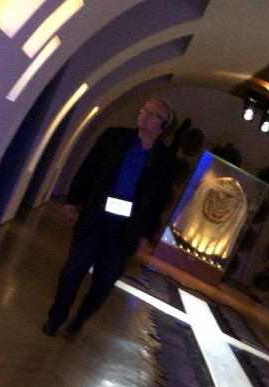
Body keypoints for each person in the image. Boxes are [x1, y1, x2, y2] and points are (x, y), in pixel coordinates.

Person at [42, 98, 177, 336]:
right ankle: (56, 318)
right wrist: (73, 199)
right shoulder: (113, 137)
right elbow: (88, 169)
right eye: (144, 110)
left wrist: (146, 235)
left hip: (126, 229)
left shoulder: (165, 161)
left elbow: (158, 202)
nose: (145, 115)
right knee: (72, 271)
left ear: (164, 126)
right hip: (96, 217)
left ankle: (80, 318)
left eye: (153, 114)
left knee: (104, 282)